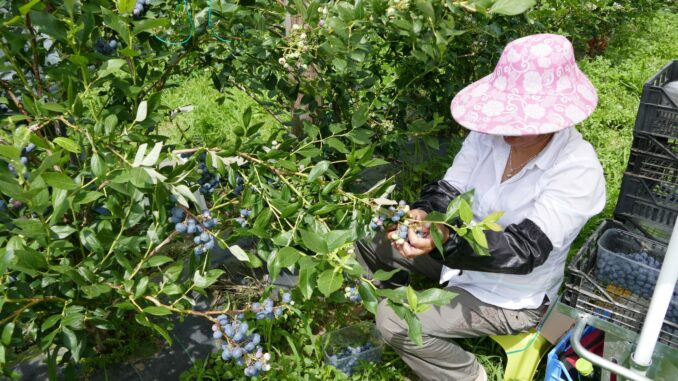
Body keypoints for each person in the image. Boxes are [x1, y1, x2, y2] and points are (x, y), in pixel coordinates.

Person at [355, 33, 606, 381]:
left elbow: (524, 251)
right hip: (457, 261)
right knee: (372, 240)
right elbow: (450, 187)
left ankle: (469, 374)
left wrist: (448, 243)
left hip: (511, 297)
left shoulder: (577, 168)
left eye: (523, 117)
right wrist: (423, 213)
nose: (508, 127)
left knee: (394, 321)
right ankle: (396, 309)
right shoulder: (490, 136)